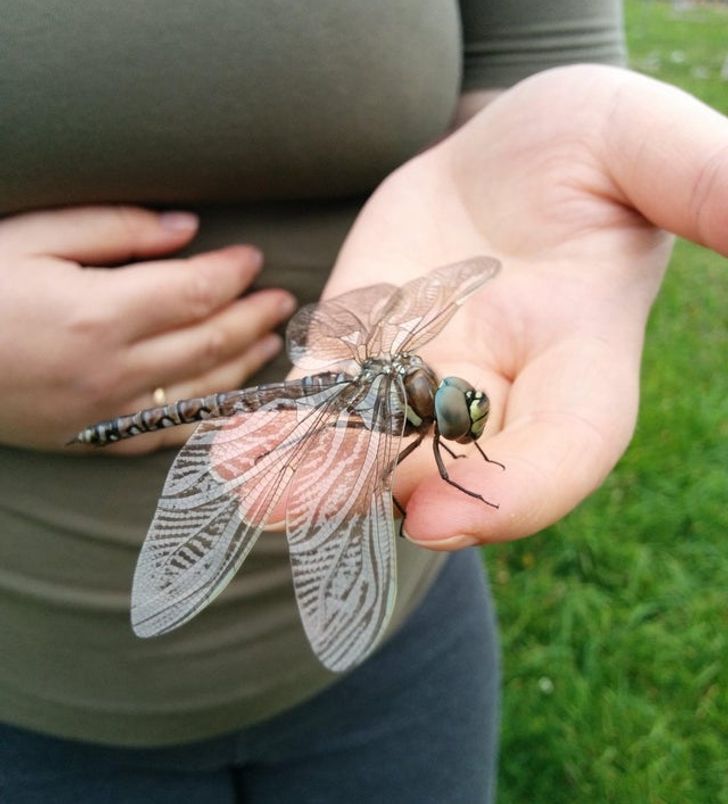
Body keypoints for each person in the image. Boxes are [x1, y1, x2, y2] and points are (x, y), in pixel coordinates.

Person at [1, 2, 726, 802]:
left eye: (462, 410)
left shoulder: (423, 384)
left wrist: (550, 120)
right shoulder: (400, 417)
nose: (462, 415)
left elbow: (531, 47)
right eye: (457, 415)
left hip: (411, 651)